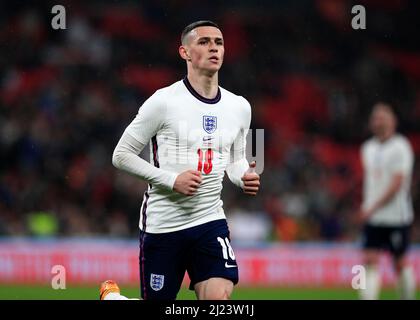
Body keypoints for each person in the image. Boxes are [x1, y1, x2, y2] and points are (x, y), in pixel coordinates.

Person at [101, 20, 260, 300]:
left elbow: (235, 158)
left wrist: (242, 175)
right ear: (184, 52)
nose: (214, 48)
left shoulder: (239, 106)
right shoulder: (163, 102)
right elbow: (121, 155)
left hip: (210, 219)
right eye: (204, 42)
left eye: (219, 42)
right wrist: (171, 180)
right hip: (165, 224)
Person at [357, 102, 415, 300]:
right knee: (368, 260)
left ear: (393, 121)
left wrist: (372, 207)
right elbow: (372, 183)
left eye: (382, 117)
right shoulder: (367, 148)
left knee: (399, 263)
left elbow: (397, 183)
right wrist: (366, 206)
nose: (378, 121)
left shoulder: (401, 147)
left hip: (396, 217)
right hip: (373, 217)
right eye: (375, 117)